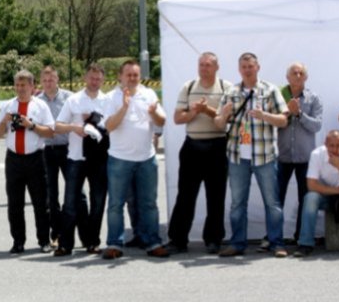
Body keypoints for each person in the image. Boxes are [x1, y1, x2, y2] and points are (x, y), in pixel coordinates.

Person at [214, 52, 289, 258]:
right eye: (244, 67)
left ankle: (276, 243)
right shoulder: (231, 91)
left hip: (264, 155)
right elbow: (219, 124)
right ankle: (237, 243)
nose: (248, 70)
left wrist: (264, 115)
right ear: (239, 69)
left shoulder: (270, 90)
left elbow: (284, 120)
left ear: (258, 67)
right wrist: (225, 115)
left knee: (272, 202)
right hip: (238, 156)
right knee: (238, 202)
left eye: (251, 66)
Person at [167, 52, 232, 254]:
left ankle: (213, 239)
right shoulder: (188, 87)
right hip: (192, 147)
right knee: (186, 195)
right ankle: (178, 239)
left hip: (217, 146)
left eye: (208, 65)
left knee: (216, 196)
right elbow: (177, 118)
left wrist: (208, 110)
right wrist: (195, 111)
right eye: (201, 65)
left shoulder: (226, 88)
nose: (204, 69)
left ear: (217, 67)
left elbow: (228, 119)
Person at [102, 60, 167, 259]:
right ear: (120, 76)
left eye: (135, 75)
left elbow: (161, 122)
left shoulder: (149, 94)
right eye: (128, 74)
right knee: (116, 204)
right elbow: (109, 126)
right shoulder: (111, 97)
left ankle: (152, 242)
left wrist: (154, 111)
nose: (132, 78)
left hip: (146, 158)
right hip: (119, 159)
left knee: (149, 203)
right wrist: (124, 107)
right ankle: (115, 243)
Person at [0, 69, 55, 254]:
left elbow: (51, 131)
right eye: (18, 85)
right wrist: (5, 122)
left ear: (32, 86)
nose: (20, 89)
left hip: (35, 158)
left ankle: (44, 240)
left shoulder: (40, 106)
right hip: (14, 159)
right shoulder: (8, 105)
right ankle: (18, 241)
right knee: (15, 203)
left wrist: (32, 125)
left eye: (24, 85)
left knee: (40, 202)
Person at [53, 63, 110, 257]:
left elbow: (113, 126)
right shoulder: (74, 100)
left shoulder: (107, 101)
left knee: (98, 201)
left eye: (98, 78)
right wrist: (75, 127)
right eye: (91, 78)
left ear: (103, 80)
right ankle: (65, 244)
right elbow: (58, 125)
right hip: (76, 157)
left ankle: (92, 242)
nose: (94, 82)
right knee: (70, 203)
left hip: (100, 158)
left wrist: (98, 123)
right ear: (85, 78)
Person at [275, 62, 323, 244]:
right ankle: (274, 237)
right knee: (276, 199)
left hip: (305, 157)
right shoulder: (278, 97)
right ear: (287, 77)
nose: (297, 75)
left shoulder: (314, 98)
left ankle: (302, 238)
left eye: (301, 73)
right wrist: (286, 113)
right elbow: (271, 123)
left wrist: (299, 114)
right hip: (281, 156)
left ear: (306, 77)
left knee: (306, 199)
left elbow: (316, 125)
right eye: (293, 73)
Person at [37, 66, 72, 249]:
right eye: (45, 80)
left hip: (67, 149)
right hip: (47, 150)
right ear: (41, 82)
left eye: (51, 79)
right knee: (51, 195)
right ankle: (56, 234)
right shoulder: (37, 101)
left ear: (57, 79)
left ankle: (77, 233)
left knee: (74, 193)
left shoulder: (69, 98)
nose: (48, 83)